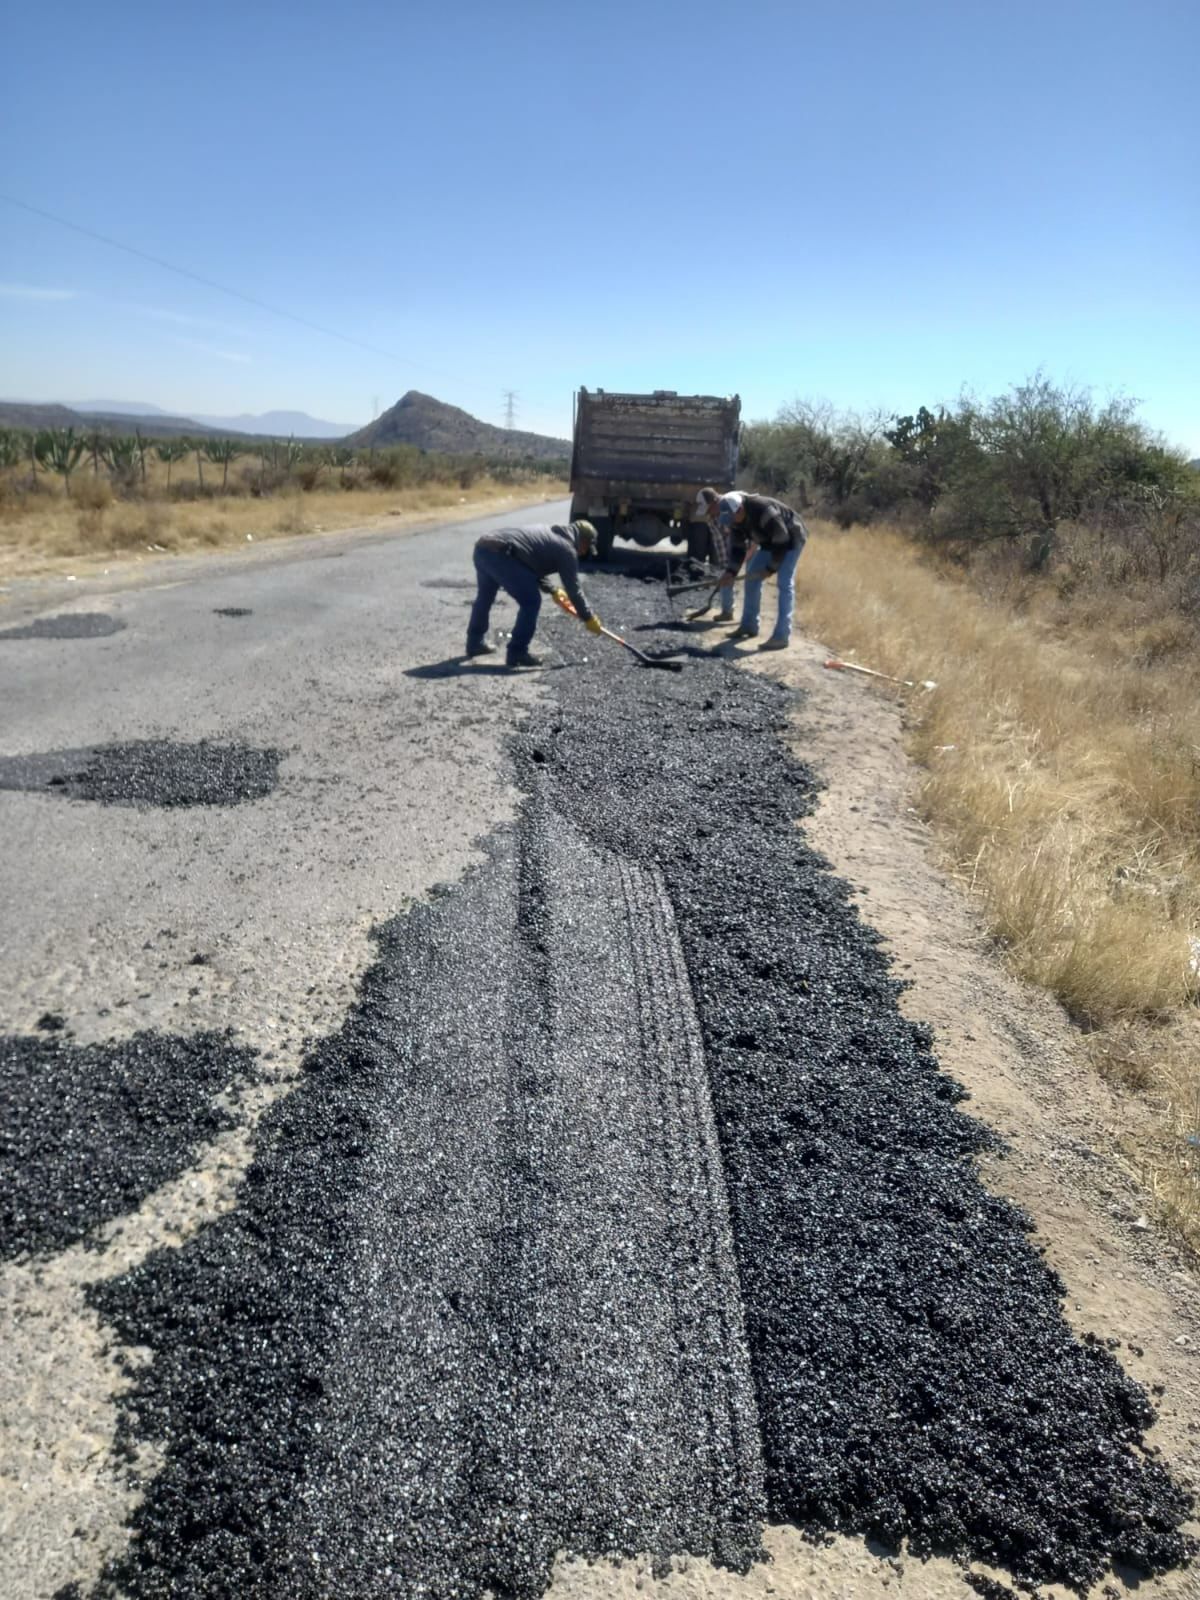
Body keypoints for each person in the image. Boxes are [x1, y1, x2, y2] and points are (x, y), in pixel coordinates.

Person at [466, 520, 603, 668]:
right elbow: (574, 591)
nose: (585, 552)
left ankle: (474, 643)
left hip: (483, 548)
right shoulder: (567, 549)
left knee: (485, 597)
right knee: (531, 602)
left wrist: (552, 589)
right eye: (587, 547)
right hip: (502, 555)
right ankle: (518, 652)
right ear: (583, 540)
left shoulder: (551, 535)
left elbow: (529, 564)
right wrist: (588, 617)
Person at [716, 492, 808, 649]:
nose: (731, 522)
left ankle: (781, 636)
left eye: (732, 518)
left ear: (740, 509)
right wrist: (731, 572)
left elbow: (782, 540)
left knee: (784, 583)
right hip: (769, 542)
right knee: (751, 580)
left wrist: (771, 568)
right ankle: (749, 625)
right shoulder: (734, 520)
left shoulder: (764, 510)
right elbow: (738, 549)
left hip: (791, 539)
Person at [695, 487, 744, 623]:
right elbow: (720, 542)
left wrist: (739, 561)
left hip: (748, 547)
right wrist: (725, 566)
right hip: (733, 551)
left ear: (715, 501)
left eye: (709, 509)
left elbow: (740, 536)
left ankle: (749, 621)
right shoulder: (712, 519)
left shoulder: (731, 506)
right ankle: (727, 612)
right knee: (725, 578)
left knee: (752, 584)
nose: (708, 513)